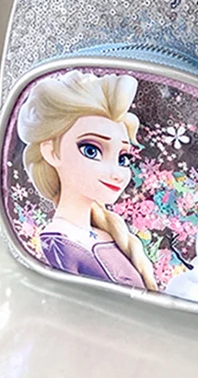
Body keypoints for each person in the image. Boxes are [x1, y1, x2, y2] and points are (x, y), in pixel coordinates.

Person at [18, 70, 157, 291]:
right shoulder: (59, 240)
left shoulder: (104, 233)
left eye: (123, 158)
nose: (117, 173)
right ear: (51, 152)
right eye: (91, 150)